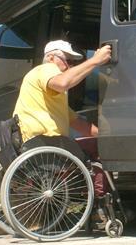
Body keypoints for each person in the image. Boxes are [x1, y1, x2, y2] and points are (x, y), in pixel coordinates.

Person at [12, 39, 111, 194]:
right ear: (51, 58)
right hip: (45, 142)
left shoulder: (52, 94)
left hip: (42, 143)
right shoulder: (45, 69)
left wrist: (107, 135)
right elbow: (63, 82)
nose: (69, 66)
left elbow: (78, 124)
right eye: (68, 60)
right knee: (97, 153)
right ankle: (99, 206)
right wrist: (95, 61)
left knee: (95, 142)